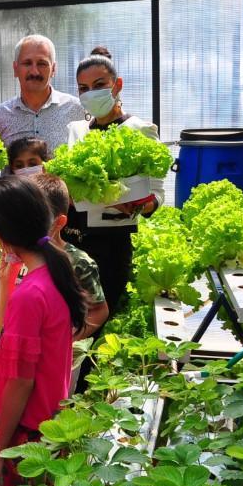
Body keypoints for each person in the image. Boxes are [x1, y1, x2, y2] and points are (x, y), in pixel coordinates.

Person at [0, 177, 86, 486]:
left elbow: (21, 383)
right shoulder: (52, 276)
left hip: (27, 434)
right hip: (47, 426)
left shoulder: (33, 292)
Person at [63, 47, 163, 317]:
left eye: (99, 85)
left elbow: (157, 195)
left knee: (104, 317)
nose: (90, 93)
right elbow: (67, 182)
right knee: (73, 318)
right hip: (74, 239)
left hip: (114, 242)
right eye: (83, 88)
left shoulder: (140, 130)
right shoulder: (77, 131)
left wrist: (139, 206)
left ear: (117, 85)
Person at [31, 172, 109, 341]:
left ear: (59, 222)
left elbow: (99, 310)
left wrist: (68, 339)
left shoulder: (79, 262)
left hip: (59, 357)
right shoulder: (16, 254)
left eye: (37, 217)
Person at [0, 35, 85, 152]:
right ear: (15, 69)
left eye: (42, 64)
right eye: (27, 63)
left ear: (53, 69)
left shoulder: (77, 110)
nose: (34, 71)